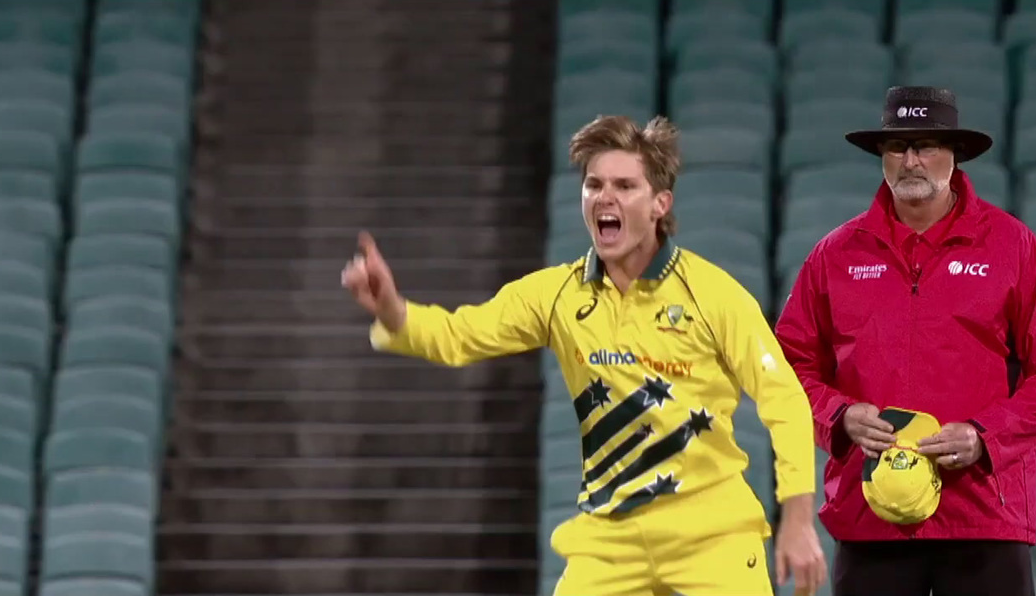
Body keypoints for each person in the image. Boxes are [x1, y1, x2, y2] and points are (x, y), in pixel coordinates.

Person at [341, 115, 827, 595]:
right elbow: (456, 336)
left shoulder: (714, 294)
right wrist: (391, 307)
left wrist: (798, 518)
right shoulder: (555, 295)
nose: (604, 197)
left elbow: (784, 402)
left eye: (624, 185)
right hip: (609, 540)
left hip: (711, 532)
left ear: (661, 203)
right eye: (593, 184)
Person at [773, 86, 1036, 596]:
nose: (911, 161)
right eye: (898, 147)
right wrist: (836, 415)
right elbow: (786, 366)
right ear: (882, 156)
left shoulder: (1012, 246)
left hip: (984, 517)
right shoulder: (834, 255)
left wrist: (985, 436)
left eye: (927, 146)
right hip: (870, 516)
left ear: (955, 155)